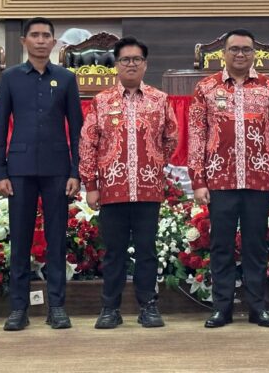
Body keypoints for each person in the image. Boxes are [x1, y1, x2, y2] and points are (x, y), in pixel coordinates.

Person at [188, 29, 269, 328]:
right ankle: (222, 308)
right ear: (224, 53)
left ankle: (258, 307)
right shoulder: (206, 87)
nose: (240, 54)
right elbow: (196, 135)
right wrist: (198, 180)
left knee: (255, 247)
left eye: (246, 49)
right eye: (234, 49)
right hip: (219, 179)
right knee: (221, 246)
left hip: (259, 179)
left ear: (255, 54)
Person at [79, 36, 179, 329]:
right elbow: (88, 144)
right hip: (112, 190)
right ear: (116, 64)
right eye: (125, 59)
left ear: (145, 65)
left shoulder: (160, 99)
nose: (131, 64)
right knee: (114, 253)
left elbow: (171, 138)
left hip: (148, 189)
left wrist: (154, 163)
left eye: (137, 59)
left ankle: (148, 306)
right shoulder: (101, 101)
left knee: (147, 251)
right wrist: (91, 185)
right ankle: (110, 308)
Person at [0, 16, 83, 331]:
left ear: (54, 42)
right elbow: (0, 128)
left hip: (58, 170)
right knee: (20, 241)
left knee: (56, 240)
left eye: (46, 35)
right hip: (19, 170)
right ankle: (18, 308)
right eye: (35, 35)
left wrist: (75, 171)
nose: (41, 40)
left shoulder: (67, 78)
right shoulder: (10, 77)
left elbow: (77, 131)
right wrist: (0, 172)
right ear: (24, 41)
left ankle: (57, 306)